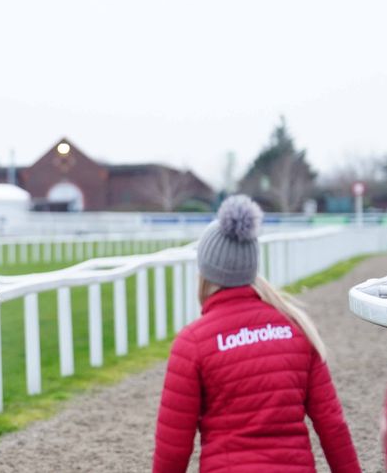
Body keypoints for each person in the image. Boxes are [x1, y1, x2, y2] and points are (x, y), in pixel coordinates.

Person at [153, 195, 360, 472]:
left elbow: (173, 447)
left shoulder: (192, 343)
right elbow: (332, 425)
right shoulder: (296, 329)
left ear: (205, 272)